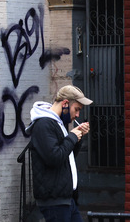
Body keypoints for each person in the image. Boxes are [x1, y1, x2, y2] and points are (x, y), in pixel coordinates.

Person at [28, 85, 93, 222]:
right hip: (54, 201)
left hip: (66, 199)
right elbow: (54, 157)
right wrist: (72, 137)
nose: (77, 115)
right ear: (65, 104)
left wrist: (77, 137)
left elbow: (66, 158)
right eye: (76, 109)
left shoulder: (57, 124)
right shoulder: (44, 124)